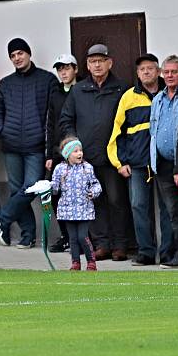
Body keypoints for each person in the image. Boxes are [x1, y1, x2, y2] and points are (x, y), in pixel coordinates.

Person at [60, 44, 129, 260]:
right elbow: (66, 120)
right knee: (93, 200)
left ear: (110, 63)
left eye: (101, 60)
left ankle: (120, 245)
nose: (97, 65)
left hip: (113, 157)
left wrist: (124, 153)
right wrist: (73, 147)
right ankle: (101, 243)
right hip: (85, 159)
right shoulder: (78, 90)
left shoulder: (122, 88)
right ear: (87, 66)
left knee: (117, 201)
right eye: (92, 61)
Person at [0, 38, 58, 248]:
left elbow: (54, 113)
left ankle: (3, 216)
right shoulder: (6, 83)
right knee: (16, 190)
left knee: (31, 188)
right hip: (10, 146)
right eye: (12, 55)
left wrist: (49, 146)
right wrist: (0, 130)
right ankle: (27, 236)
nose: (17, 58)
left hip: (36, 146)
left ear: (29, 54)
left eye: (20, 53)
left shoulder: (47, 80)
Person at [108, 53, 171, 266]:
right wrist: (120, 161)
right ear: (137, 73)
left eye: (150, 68)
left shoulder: (169, 93)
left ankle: (168, 253)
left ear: (158, 71)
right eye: (142, 69)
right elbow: (118, 132)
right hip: (136, 163)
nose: (146, 72)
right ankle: (145, 252)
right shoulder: (128, 97)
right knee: (138, 206)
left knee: (168, 207)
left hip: (164, 162)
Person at [154, 55, 178, 268]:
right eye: (166, 72)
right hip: (164, 164)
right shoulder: (158, 99)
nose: (169, 76)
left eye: (173, 72)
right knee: (174, 213)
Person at [45, 54, 79, 253]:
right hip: (58, 152)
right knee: (57, 195)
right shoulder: (55, 93)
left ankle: (82, 238)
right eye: (60, 69)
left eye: (67, 68)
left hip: (78, 150)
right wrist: (49, 154)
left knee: (80, 193)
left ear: (75, 69)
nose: (63, 72)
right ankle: (66, 236)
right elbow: (50, 125)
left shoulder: (82, 89)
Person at [51, 137, 102, 271]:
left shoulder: (87, 168)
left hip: (84, 209)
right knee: (72, 238)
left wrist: (93, 192)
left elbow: (96, 185)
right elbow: (55, 188)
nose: (80, 153)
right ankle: (75, 262)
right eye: (75, 151)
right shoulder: (60, 169)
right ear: (67, 154)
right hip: (67, 210)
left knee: (82, 236)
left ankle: (91, 262)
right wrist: (46, 188)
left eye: (80, 150)